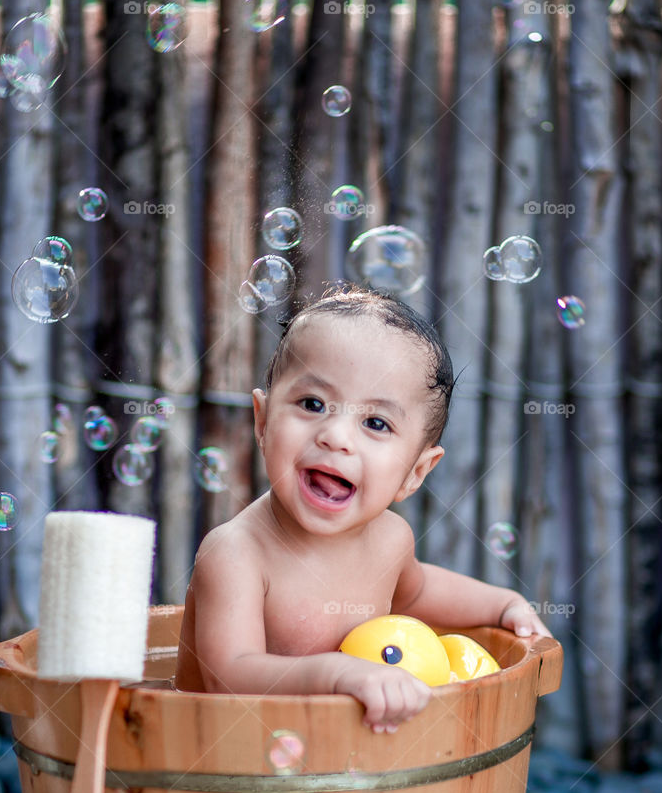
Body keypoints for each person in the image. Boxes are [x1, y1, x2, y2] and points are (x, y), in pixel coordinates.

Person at [175, 286, 551, 732]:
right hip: (222, 765)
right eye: (313, 404)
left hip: (333, 766)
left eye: (376, 423)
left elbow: (418, 593)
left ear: (416, 471)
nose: (336, 435)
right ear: (262, 420)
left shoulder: (391, 540)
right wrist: (335, 674)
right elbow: (228, 678)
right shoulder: (236, 552)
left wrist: (502, 603)